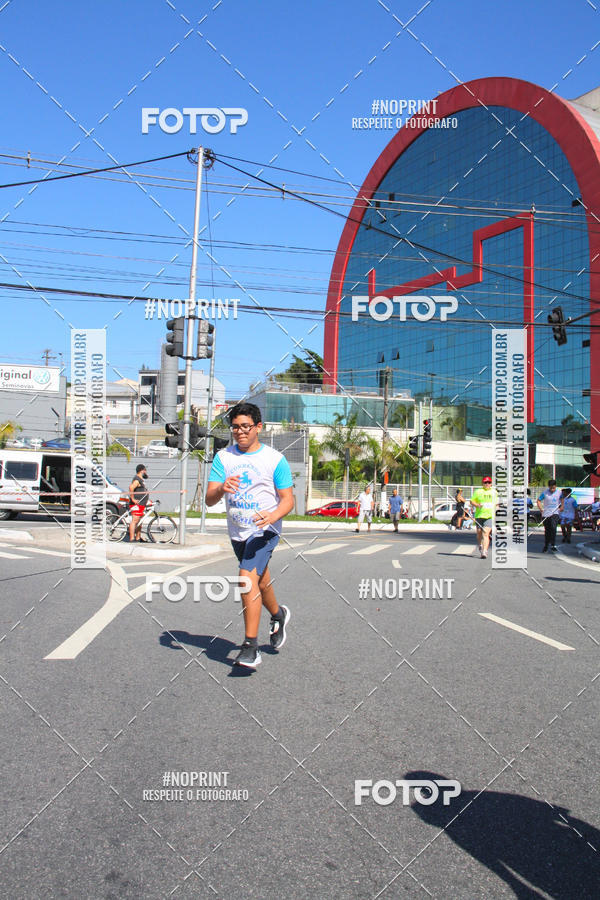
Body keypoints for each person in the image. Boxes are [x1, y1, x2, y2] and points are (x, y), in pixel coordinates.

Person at [205, 403, 294, 670]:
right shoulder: (223, 458)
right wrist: (222, 487)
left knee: (246, 580)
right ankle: (278, 615)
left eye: (245, 426)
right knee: (260, 582)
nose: (240, 432)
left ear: (258, 427)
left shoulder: (275, 459)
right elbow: (210, 500)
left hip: (265, 531)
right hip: (238, 533)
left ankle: (250, 646)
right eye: (235, 427)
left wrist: (273, 515)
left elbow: (288, 500)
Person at [470, 475, 498, 559]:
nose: (487, 484)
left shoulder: (494, 492)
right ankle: (480, 545)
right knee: (479, 533)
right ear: (482, 483)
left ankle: (484, 551)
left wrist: (497, 509)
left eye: (489, 482)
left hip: (489, 516)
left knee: (485, 533)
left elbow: (496, 503)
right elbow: (472, 501)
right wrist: (477, 505)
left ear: (491, 484)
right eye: (485, 482)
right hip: (479, 515)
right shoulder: (478, 491)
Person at [537, 479, 561, 552]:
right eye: (551, 488)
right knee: (547, 530)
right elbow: (538, 500)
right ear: (548, 487)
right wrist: (541, 509)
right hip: (546, 513)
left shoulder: (559, 493)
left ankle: (553, 544)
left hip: (555, 513)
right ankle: (546, 544)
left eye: (553, 488)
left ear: (555, 486)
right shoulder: (545, 493)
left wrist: (561, 507)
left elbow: (562, 500)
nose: (552, 489)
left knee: (553, 528)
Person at [128, 463, 149, 542]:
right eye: (145, 470)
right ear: (142, 471)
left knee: (140, 521)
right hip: (136, 503)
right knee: (135, 520)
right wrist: (133, 499)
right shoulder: (137, 479)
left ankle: (138, 537)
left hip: (141, 504)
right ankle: (132, 538)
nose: (146, 472)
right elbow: (131, 487)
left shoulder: (141, 480)